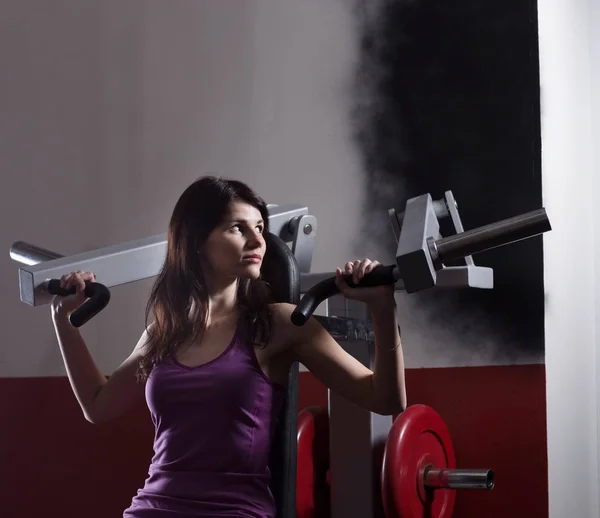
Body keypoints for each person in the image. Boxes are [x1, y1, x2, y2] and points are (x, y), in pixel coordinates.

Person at [51, 176, 407, 518]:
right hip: (152, 508)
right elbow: (98, 405)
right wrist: (64, 320)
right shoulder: (164, 332)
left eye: (260, 228)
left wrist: (382, 307)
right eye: (238, 228)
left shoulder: (279, 324)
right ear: (197, 241)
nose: (257, 241)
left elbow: (385, 398)